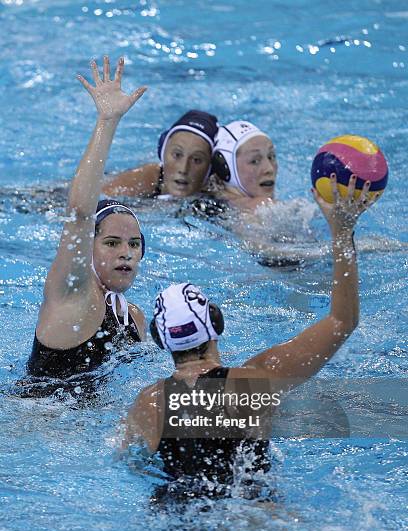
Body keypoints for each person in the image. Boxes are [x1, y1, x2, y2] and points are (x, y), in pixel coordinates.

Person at [121, 174, 376, 500]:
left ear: (162, 340)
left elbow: (131, 463)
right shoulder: (254, 380)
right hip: (251, 518)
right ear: (216, 324)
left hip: (176, 524)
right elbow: (343, 320)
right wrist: (342, 233)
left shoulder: (147, 404)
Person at [27, 56, 147, 380]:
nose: (126, 252)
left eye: (134, 244)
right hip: (34, 422)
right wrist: (107, 122)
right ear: (88, 249)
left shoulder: (134, 319)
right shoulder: (73, 294)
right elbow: (81, 213)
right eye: (111, 242)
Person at [102, 109, 218, 199]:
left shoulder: (218, 192)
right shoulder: (146, 178)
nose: (183, 169)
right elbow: (90, 203)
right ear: (162, 152)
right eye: (177, 155)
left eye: (196, 160)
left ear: (210, 167)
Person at [211, 120, 278, 212]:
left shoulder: (201, 202)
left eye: (271, 157)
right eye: (254, 161)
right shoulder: (262, 207)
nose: (269, 169)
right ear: (225, 170)